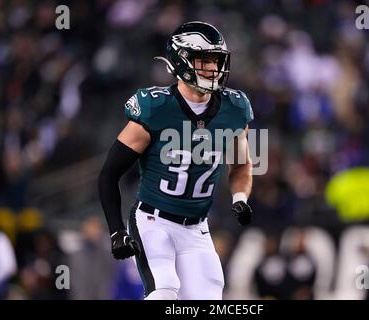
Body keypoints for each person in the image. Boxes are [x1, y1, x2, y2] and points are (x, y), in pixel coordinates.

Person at [98, 21, 254, 300]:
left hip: (197, 229)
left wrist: (239, 196)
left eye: (216, 61)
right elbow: (109, 174)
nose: (212, 69)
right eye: (203, 61)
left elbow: (241, 164)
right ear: (180, 61)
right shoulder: (155, 107)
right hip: (153, 221)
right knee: (164, 293)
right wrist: (116, 231)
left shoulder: (234, 109)